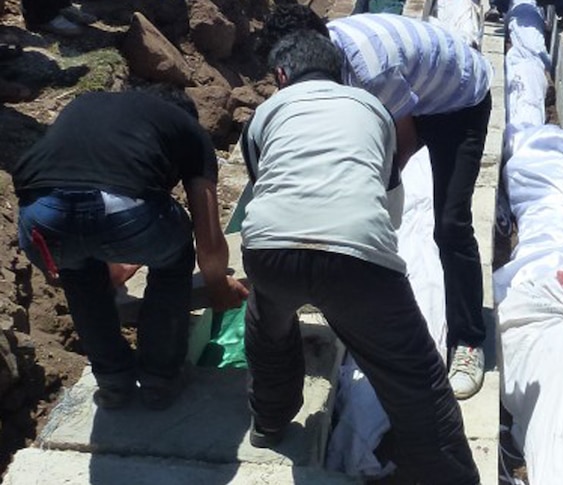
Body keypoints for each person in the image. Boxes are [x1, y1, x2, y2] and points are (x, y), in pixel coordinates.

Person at [240, 30, 480, 484]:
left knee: (266, 320)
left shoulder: (265, 114)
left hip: (269, 251)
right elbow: (389, 207)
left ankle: (269, 420)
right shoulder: (373, 109)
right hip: (357, 258)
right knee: (414, 376)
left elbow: (263, 189)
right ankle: (448, 476)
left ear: (280, 74)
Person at [259, 4, 493, 399]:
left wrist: (367, 201)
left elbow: (400, 146)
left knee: (451, 224)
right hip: (415, 93)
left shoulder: (370, 69)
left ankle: (468, 340)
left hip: (458, 101)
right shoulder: (312, 62)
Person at [12, 87, 248, 411]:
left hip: (38, 222)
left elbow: (78, 203)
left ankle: (113, 384)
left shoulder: (89, 105)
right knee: (176, 255)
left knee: (78, 277)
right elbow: (207, 237)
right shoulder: (188, 129)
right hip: (122, 216)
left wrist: (114, 266)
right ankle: (159, 380)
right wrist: (218, 285)